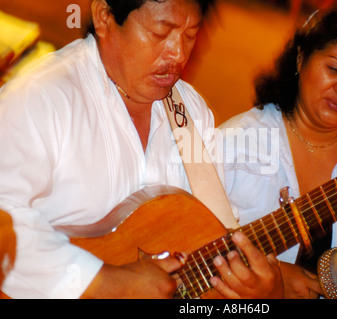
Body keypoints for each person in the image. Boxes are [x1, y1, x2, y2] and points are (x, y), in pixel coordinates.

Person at [0, 0, 282, 299]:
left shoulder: (193, 115)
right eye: (161, 32)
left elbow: (209, 241)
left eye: (190, 36)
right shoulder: (40, 98)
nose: (178, 54)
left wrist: (257, 295)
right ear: (104, 16)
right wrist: (101, 282)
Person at [220, 6, 337, 298]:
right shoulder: (237, 142)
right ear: (301, 59)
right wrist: (269, 278)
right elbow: (195, 248)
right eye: (334, 69)